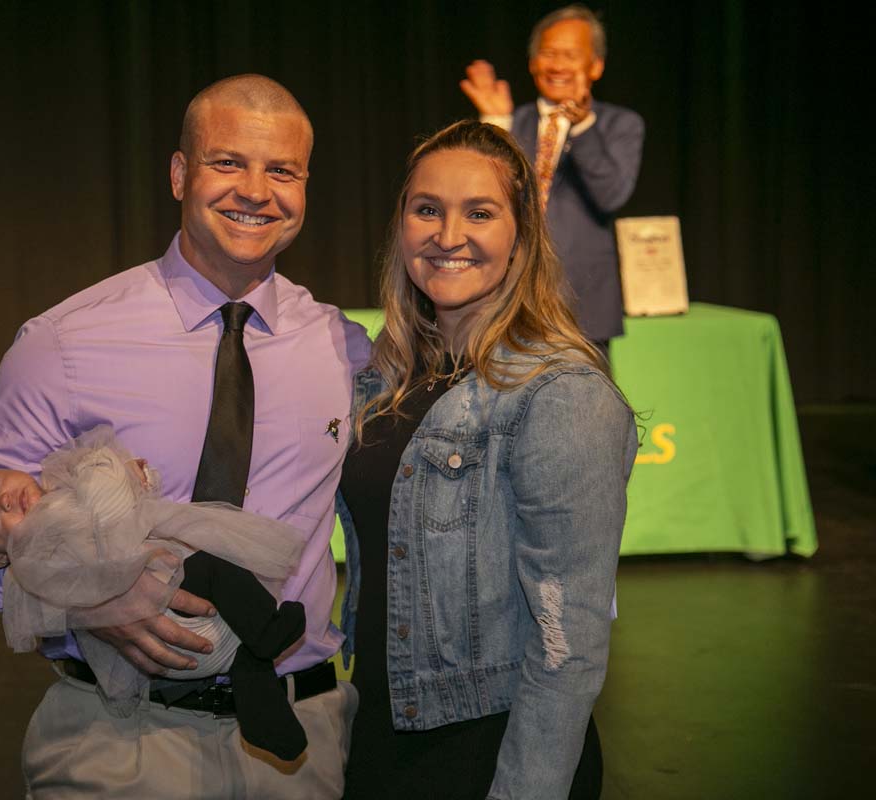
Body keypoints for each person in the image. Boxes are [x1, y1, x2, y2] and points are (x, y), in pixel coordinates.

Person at [0, 74, 371, 798]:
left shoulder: (341, 346)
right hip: (117, 736)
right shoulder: (63, 343)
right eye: (228, 162)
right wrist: (81, 602)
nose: (256, 190)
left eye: (283, 170)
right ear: (180, 174)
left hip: (298, 744)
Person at [337, 120, 638, 799]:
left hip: (489, 754)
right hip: (382, 734)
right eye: (426, 210)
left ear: (521, 238)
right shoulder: (385, 380)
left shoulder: (561, 394)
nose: (448, 235)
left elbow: (568, 646)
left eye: (479, 212)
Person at [0, 424, 310, 759]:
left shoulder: (56, 494)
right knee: (215, 567)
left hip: (176, 613)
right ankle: (267, 629)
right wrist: (114, 475)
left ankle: (261, 705)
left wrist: (133, 479)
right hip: (164, 619)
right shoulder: (37, 553)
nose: (5, 500)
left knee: (234, 633)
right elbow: (107, 511)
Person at [460, 3, 644, 356]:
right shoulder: (515, 121)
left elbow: (612, 195)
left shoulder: (619, 125)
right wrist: (495, 124)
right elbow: (489, 196)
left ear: (595, 66)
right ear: (532, 63)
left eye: (570, 55)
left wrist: (583, 127)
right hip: (511, 299)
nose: (557, 65)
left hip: (583, 305)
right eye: (548, 53)